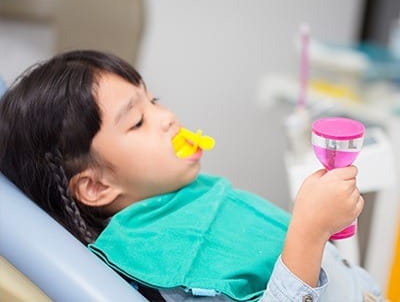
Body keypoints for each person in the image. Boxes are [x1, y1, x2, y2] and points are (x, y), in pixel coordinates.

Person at [0, 50, 382, 301]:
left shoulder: (188, 198)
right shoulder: (168, 264)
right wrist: (309, 231)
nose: (167, 118)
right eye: (137, 121)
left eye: (154, 101)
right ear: (96, 185)